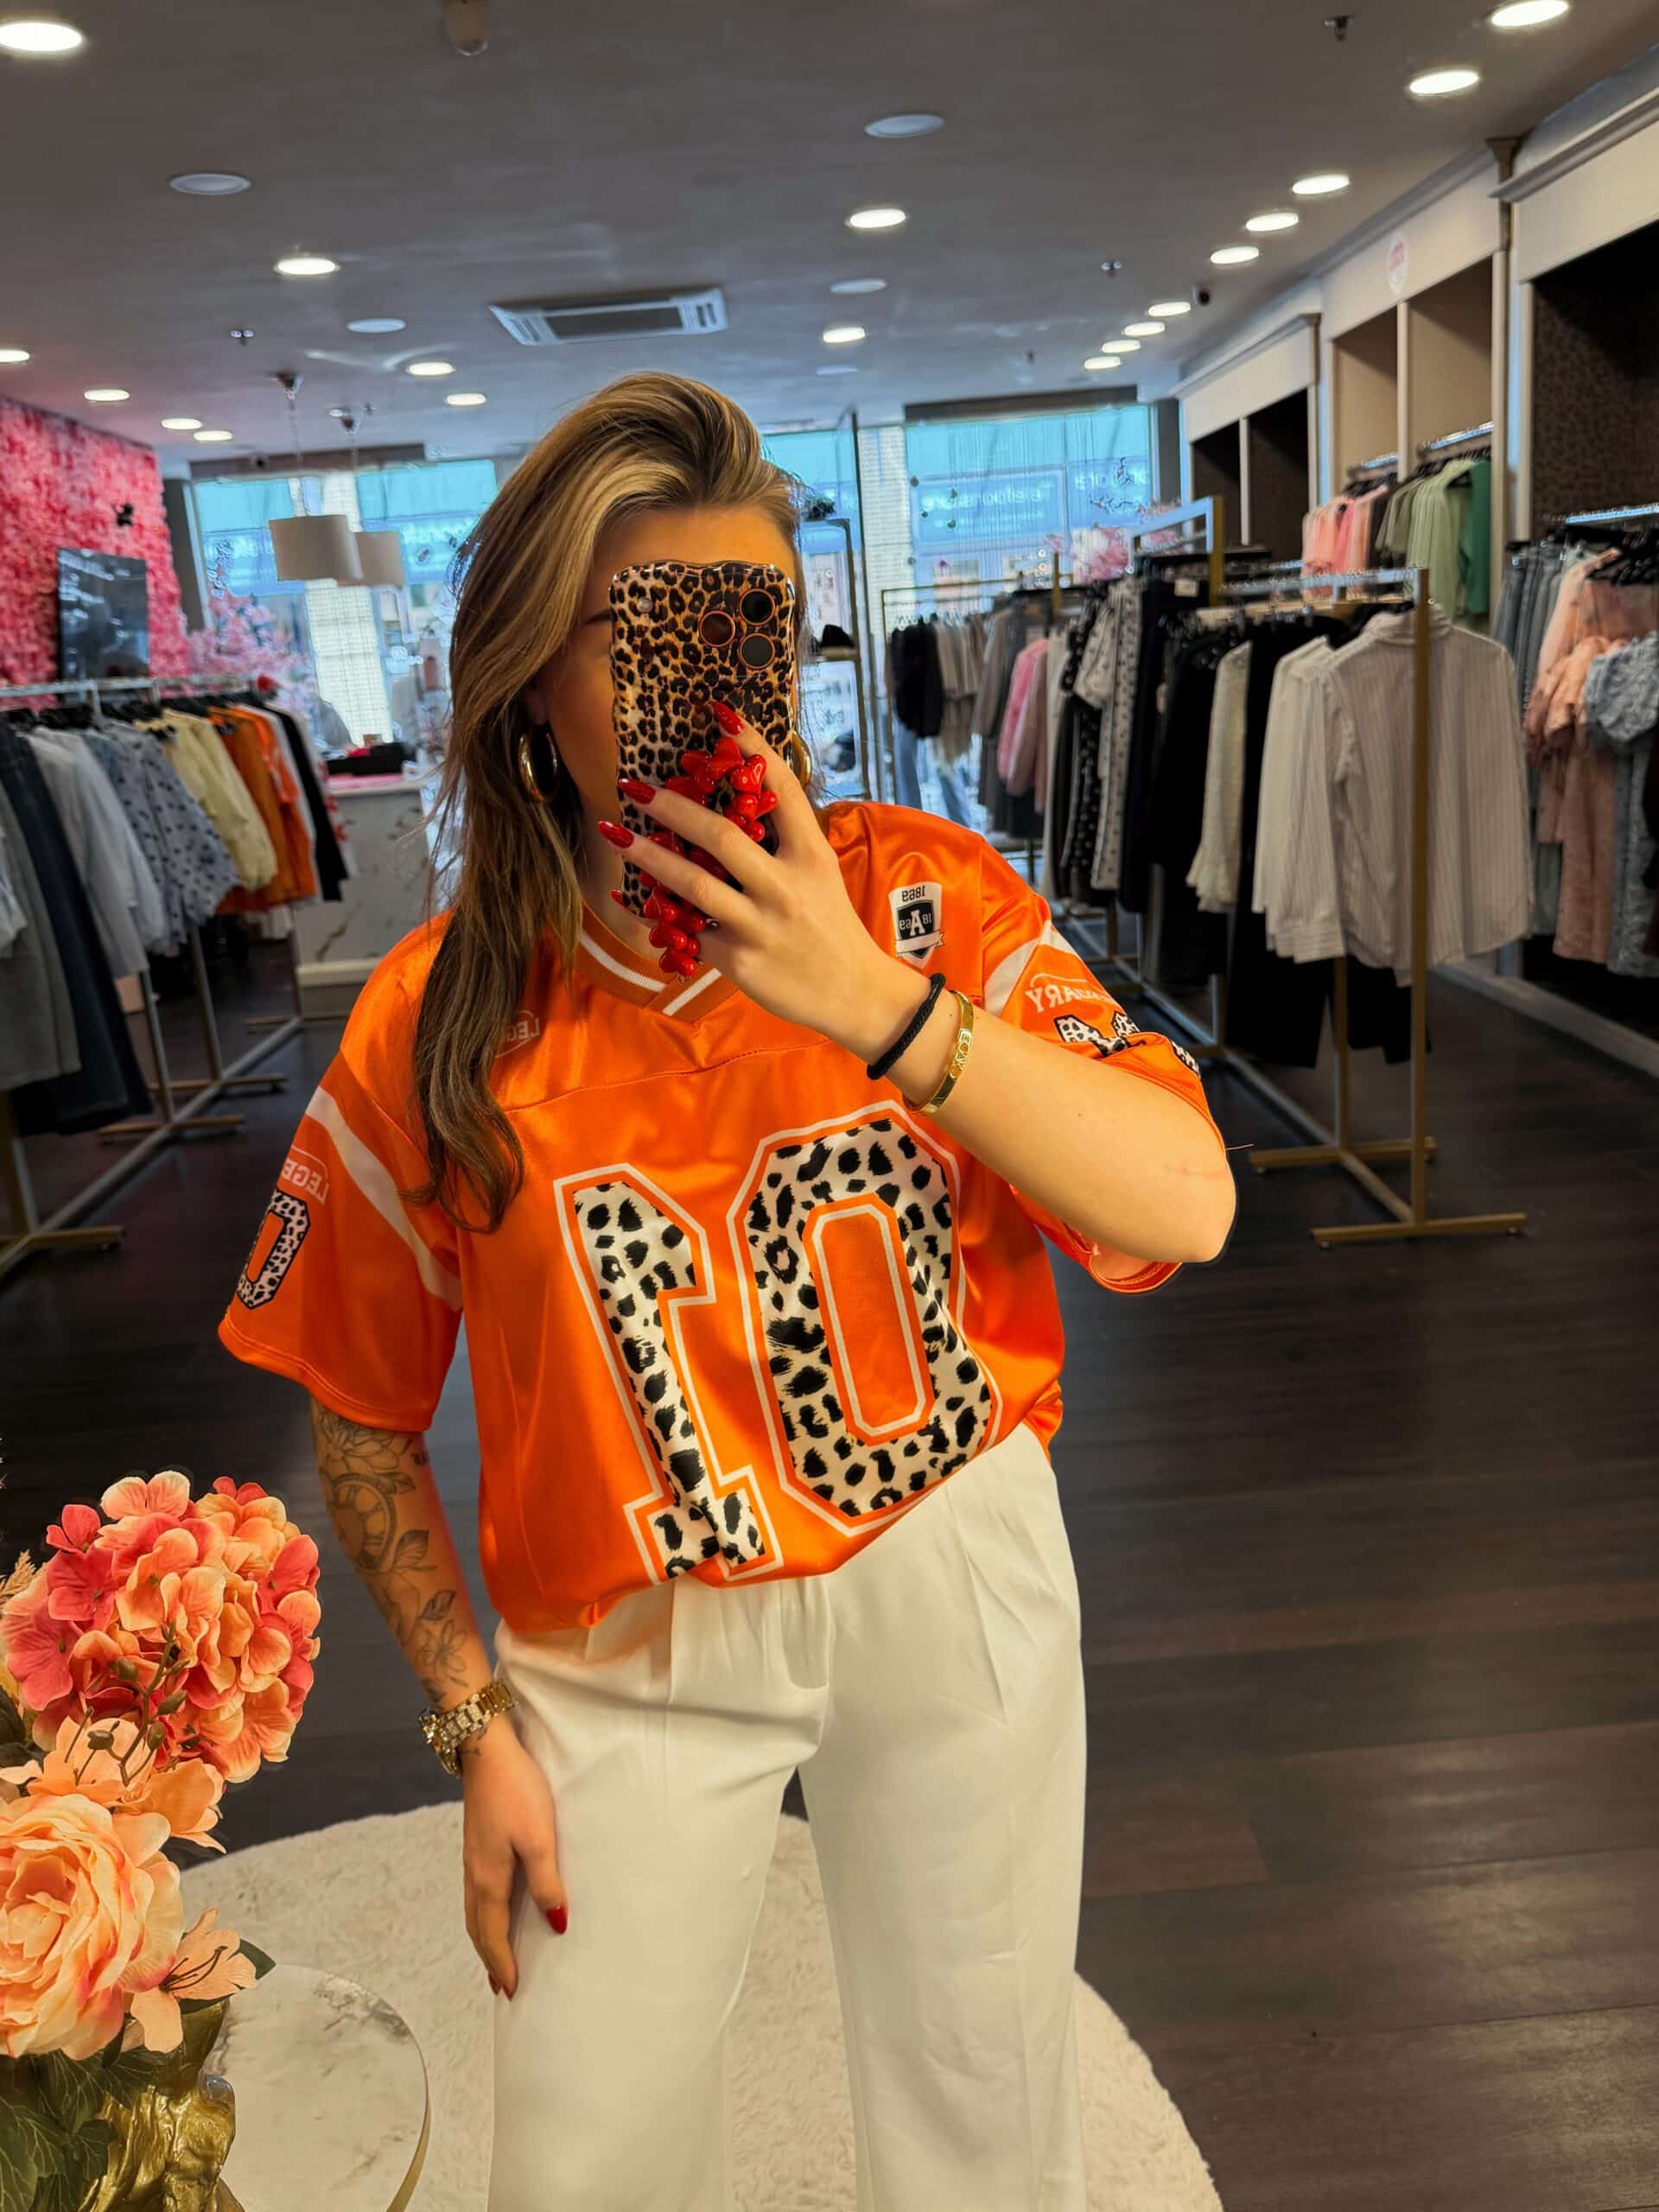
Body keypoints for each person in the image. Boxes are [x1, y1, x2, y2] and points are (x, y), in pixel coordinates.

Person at [216, 371, 1235, 2210]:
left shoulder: (924, 905)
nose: (708, 692)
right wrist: (469, 1719)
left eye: (750, 627)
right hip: (629, 1646)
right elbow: (357, 1408)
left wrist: (871, 1003)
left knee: (986, 2111)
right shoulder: (439, 1019)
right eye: (640, 637)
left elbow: (1189, 1197)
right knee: (582, 2154)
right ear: (530, 677)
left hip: (951, 1565)